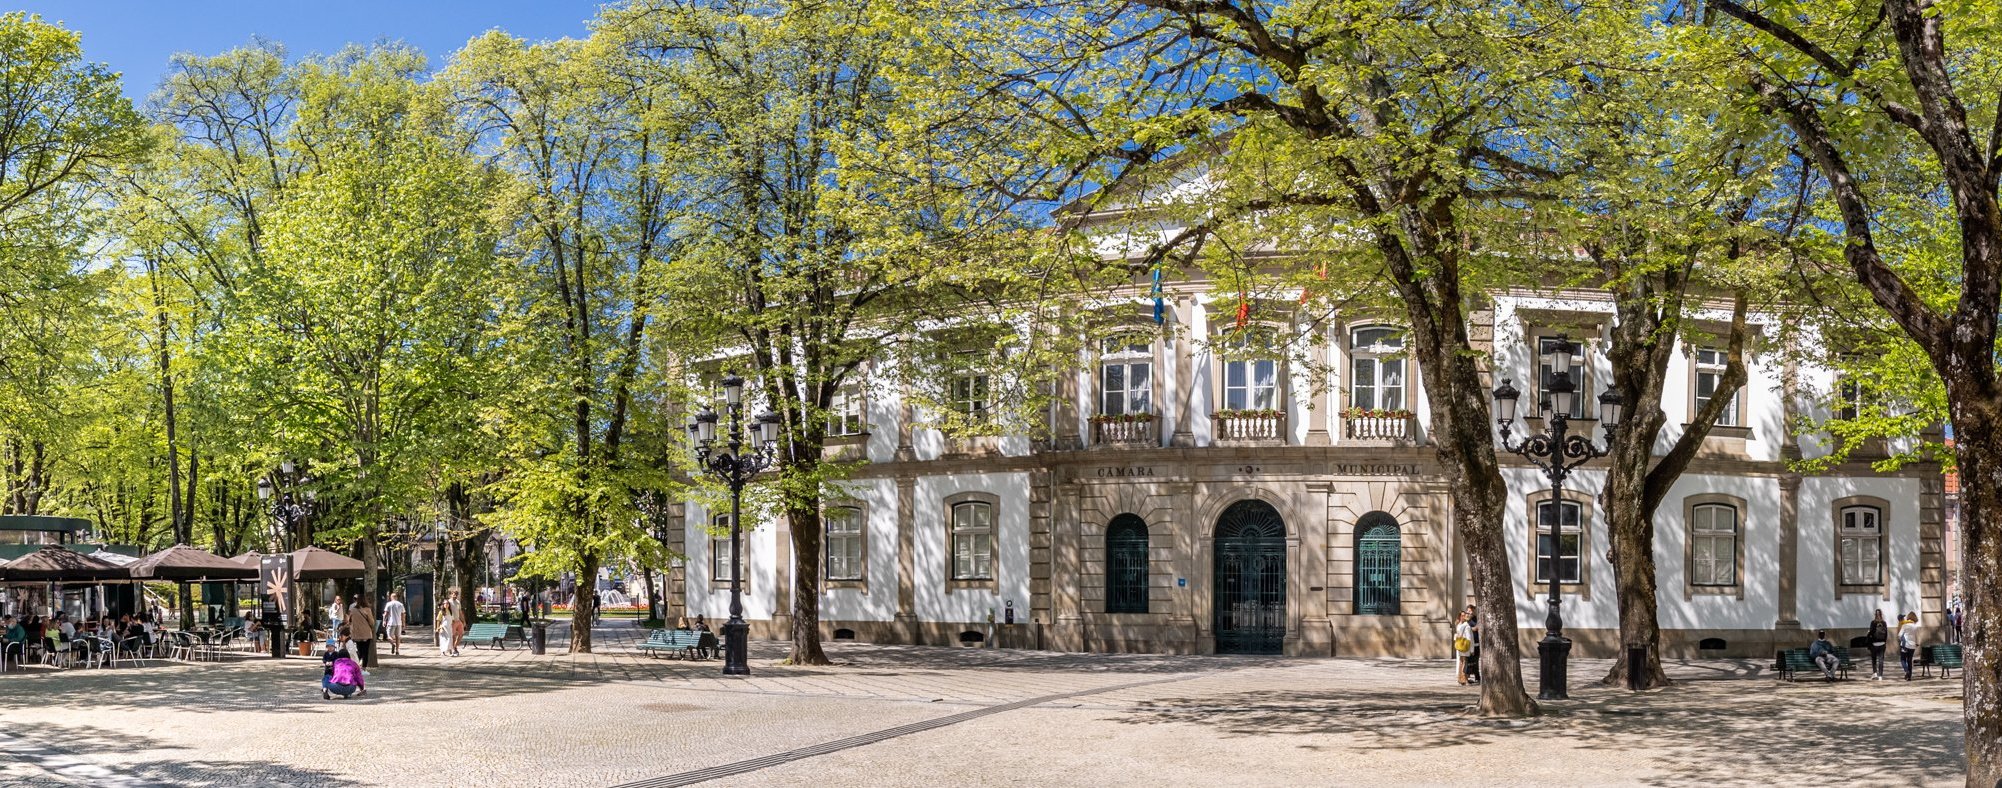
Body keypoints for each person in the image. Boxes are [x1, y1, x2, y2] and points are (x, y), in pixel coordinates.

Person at [321, 630, 365, 699]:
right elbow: (358, 677)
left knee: (327, 677)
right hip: (351, 688)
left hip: (336, 688)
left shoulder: (336, 663)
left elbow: (332, 674)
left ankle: (325, 689)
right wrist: (362, 688)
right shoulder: (353, 664)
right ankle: (347, 693)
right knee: (352, 678)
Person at [347, 597, 377, 668]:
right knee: (365, 651)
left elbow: (349, 621)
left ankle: (355, 665)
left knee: (359, 650)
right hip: (366, 633)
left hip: (356, 633)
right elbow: (372, 622)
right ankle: (364, 668)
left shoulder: (353, 610)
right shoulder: (367, 610)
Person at [1866, 610, 1890, 680]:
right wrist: (1884, 642)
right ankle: (1880, 676)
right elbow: (1886, 634)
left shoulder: (1873, 622)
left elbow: (1871, 632)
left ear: (1875, 615)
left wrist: (1868, 634)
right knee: (1881, 660)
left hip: (1874, 644)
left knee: (1874, 659)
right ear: (1881, 614)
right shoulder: (1884, 623)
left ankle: (1875, 673)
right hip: (1882, 644)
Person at [1453, 609, 1475, 685]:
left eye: (1464, 615)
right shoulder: (1466, 626)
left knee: (1462, 663)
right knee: (1464, 663)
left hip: (1460, 646)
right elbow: (1469, 639)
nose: (1464, 616)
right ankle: (1464, 679)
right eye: (1462, 615)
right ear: (1460, 616)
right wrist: (1472, 649)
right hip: (1466, 646)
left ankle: (1461, 679)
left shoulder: (1459, 625)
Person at [382, 592, 407, 656]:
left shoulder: (389, 604)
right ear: (397, 597)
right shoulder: (401, 604)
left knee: (389, 636)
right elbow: (403, 615)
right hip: (399, 623)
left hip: (391, 623)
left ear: (391, 597)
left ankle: (392, 644)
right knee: (398, 637)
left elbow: (386, 614)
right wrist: (404, 624)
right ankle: (397, 650)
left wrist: (384, 621)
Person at [1898, 611, 1920, 681]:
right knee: (1909, 660)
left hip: (1905, 645)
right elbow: (1917, 636)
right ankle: (1909, 676)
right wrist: (1916, 643)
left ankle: (1906, 671)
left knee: (1903, 659)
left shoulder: (1905, 625)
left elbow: (1899, 635)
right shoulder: (1915, 627)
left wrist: (1901, 639)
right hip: (1912, 645)